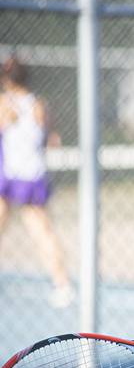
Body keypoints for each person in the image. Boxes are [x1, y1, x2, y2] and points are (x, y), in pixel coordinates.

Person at [0, 56, 73, 308]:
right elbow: (50, 138)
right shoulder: (39, 105)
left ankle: (62, 283)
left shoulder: (6, 103)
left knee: (39, 230)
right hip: (29, 174)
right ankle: (62, 283)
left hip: (16, 175)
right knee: (42, 231)